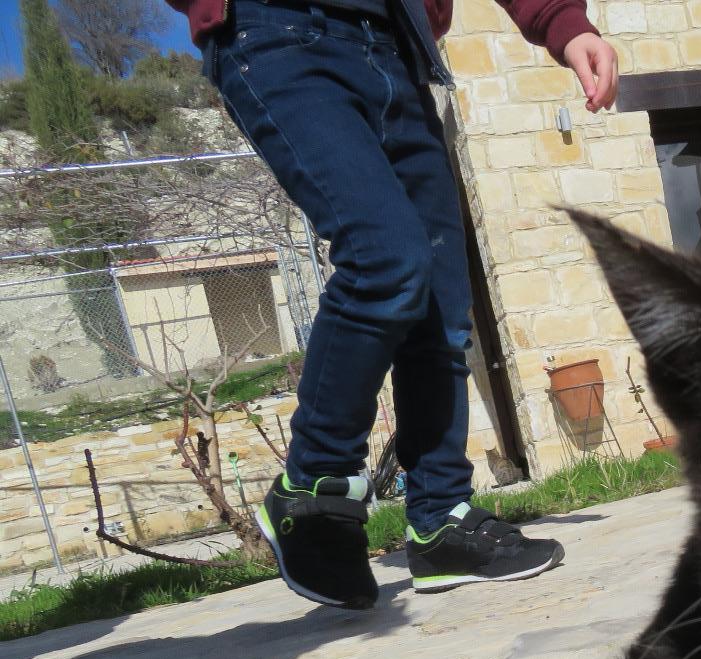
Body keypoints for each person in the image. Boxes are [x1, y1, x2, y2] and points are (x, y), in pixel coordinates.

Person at [167, 0, 619, 608]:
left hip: (397, 50)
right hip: (276, 31)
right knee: (384, 257)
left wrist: (563, 23)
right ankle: (314, 488)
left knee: (442, 307)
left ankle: (439, 521)